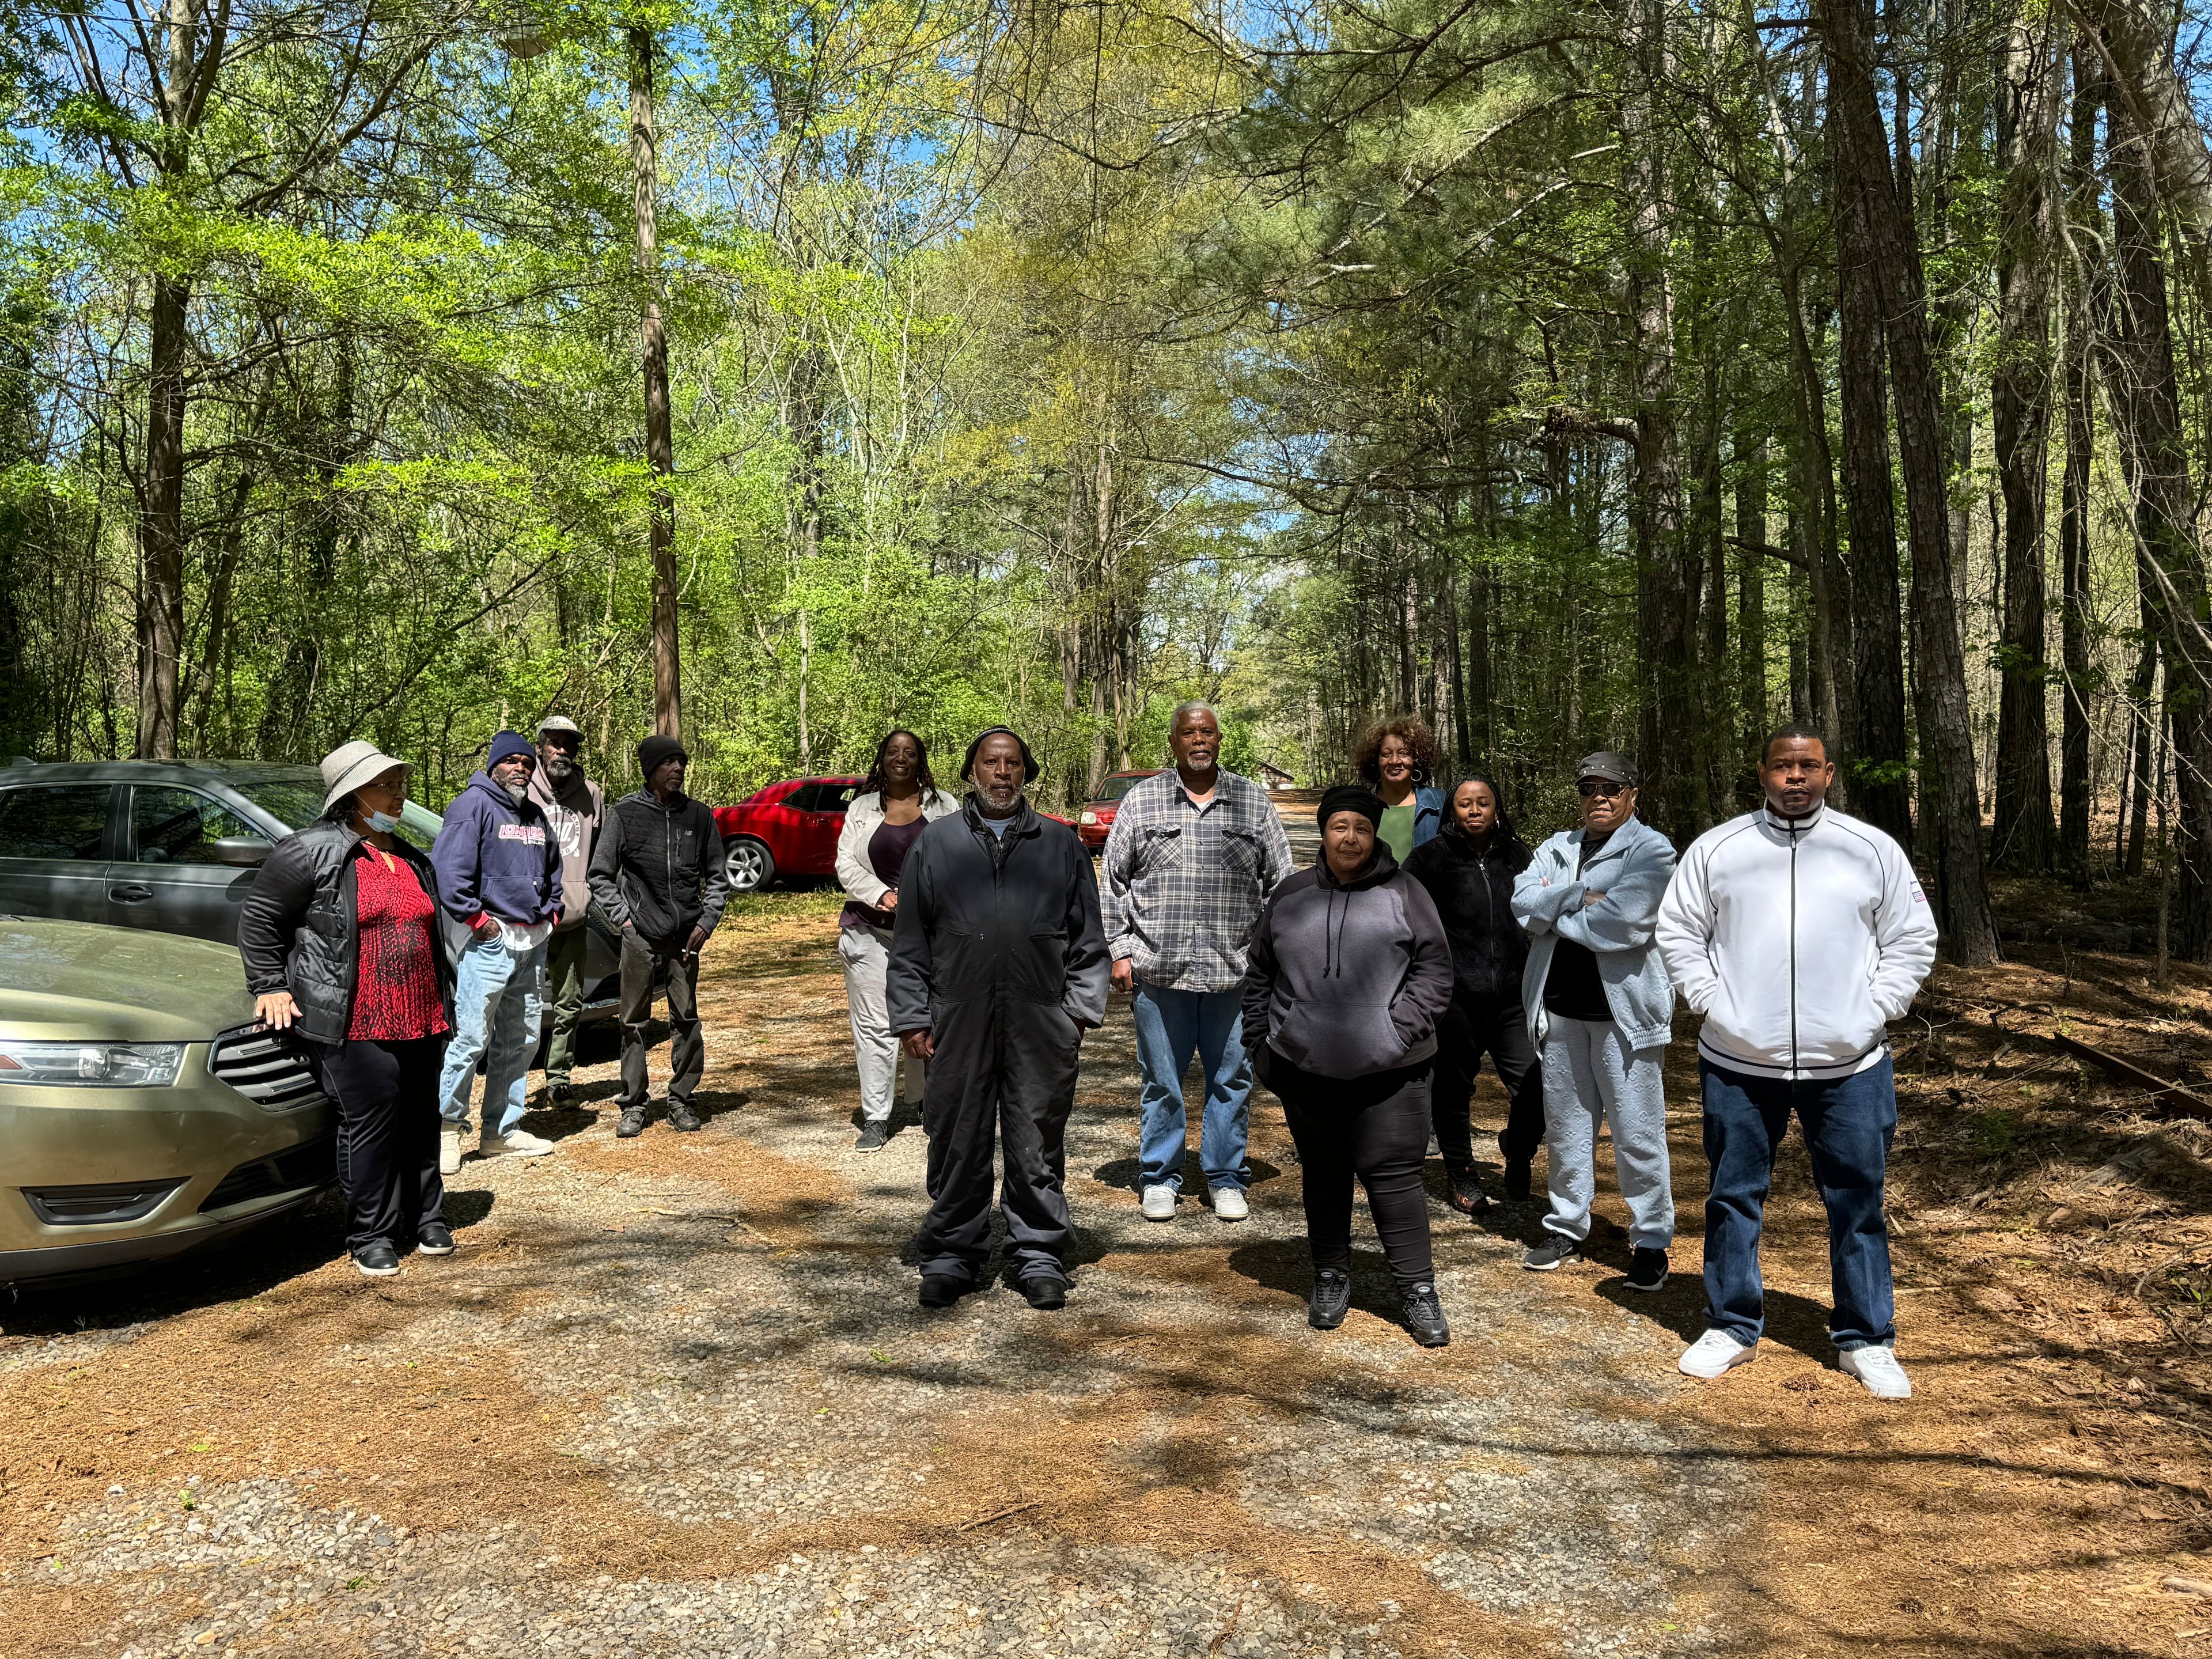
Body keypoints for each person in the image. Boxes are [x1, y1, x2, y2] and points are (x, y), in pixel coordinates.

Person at [1656, 724, 1937, 1400]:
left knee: (1857, 1202)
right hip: (1738, 1060)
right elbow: (1678, 931)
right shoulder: (1718, 849)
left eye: (1808, 767)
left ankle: (1866, 1338)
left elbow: (1913, 938)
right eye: (1783, 766)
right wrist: (1713, 1002)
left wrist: (1872, 1010)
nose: (1795, 778)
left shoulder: (1870, 850)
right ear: (1763, 772)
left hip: (1849, 1066)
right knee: (1732, 1197)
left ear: (1829, 773)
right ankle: (1731, 1324)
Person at [887, 727, 1108, 1312]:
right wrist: (912, 1016)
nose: (1002, 773)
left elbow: (1090, 941)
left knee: (1036, 1138)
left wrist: (1077, 1015)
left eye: (1013, 764)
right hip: (955, 1016)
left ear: (1026, 773)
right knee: (957, 1138)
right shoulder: (937, 845)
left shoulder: (1059, 845)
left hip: (1040, 1021)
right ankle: (952, 1254)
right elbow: (909, 943)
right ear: (972, 772)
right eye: (991, 763)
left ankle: (1038, 1254)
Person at [1241, 784, 1457, 1346]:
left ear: (1374, 834)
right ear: (1324, 832)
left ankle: (1417, 1290)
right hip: (1306, 1070)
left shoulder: (1406, 893)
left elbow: (1435, 970)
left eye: (1361, 828)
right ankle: (1332, 1275)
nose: (1351, 837)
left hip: (1393, 1072)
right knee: (1326, 1176)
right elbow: (1259, 972)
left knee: (1395, 1179)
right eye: (1340, 826)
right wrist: (1262, 1043)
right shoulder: (1290, 897)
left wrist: (1396, 1030)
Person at [240, 742, 454, 1278]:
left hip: (419, 1012)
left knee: (421, 1115)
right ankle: (371, 1233)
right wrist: (269, 984)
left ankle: (425, 1216)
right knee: (372, 1119)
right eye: (387, 786)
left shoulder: (408, 856)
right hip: (353, 1017)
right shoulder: (310, 850)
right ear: (353, 796)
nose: (399, 795)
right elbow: (261, 918)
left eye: (400, 784)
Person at [1102, 702, 1294, 1224]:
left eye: (1207, 732)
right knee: (1161, 1081)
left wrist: (1275, 960)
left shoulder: (1251, 803)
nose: (1199, 740)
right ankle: (1160, 1176)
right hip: (1160, 972)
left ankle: (1226, 1177)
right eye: (1189, 733)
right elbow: (1114, 881)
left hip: (1236, 974)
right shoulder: (1143, 802)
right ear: (1174, 742)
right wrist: (1119, 950)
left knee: (1232, 1079)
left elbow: (1283, 885)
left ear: (1219, 740)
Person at [1510, 752, 1677, 1290]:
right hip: (1559, 1011)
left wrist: (1553, 913)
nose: (1599, 797)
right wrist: (1580, 895)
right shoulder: (1557, 847)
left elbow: (1625, 924)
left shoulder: (1652, 849)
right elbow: (1521, 903)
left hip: (1626, 1017)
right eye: (1589, 788)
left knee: (1638, 1135)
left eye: (1612, 788)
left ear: (1633, 796)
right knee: (1565, 1129)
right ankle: (1566, 1225)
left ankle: (1651, 1240)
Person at [1403, 773, 1544, 1211]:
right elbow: (1405, 919)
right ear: (1452, 811)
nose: (1475, 810)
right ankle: (1462, 1176)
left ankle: (1518, 1151)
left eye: (1483, 802)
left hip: (1513, 998)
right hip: (1456, 998)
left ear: (1496, 807)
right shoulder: (1429, 860)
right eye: (1465, 803)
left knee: (1536, 1087)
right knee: (1452, 1091)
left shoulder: (1519, 856)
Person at [431, 730, 564, 1173]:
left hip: (532, 943)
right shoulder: (471, 806)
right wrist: (479, 922)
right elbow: (449, 874)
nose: (520, 768)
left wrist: (553, 913)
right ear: (494, 766)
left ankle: (501, 1132)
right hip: (489, 945)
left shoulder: (535, 815)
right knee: (471, 1038)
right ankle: (448, 1130)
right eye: (511, 761)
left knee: (522, 1039)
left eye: (527, 763)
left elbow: (553, 870)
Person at [588, 734, 732, 1139]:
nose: (678, 769)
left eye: (681, 763)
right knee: (633, 1021)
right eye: (669, 763)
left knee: (686, 1019)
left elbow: (718, 878)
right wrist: (625, 922)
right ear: (650, 770)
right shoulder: (624, 814)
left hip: (686, 937)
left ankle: (681, 1099)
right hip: (640, 936)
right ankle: (634, 1104)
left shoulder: (699, 817)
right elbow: (600, 875)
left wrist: (707, 922)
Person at [836, 730, 959, 1152]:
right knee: (874, 1025)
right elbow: (845, 863)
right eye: (892, 752)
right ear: (882, 759)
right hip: (869, 929)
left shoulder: (945, 806)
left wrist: (927, 898)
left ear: (920, 759)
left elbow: (960, 860)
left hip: (930, 932)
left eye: (909, 752)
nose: (900, 758)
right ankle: (875, 1116)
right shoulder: (862, 807)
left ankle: (925, 1100)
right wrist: (882, 894)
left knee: (927, 1015)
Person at [528, 715, 605, 1107]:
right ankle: (511, 1087)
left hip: (573, 914)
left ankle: (559, 1077)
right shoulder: (522, 791)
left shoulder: (591, 794)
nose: (563, 751)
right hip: (527, 918)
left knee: (569, 1001)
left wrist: (588, 893)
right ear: (540, 747)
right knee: (521, 1003)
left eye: (570, 745)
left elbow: (599, 856)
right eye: (555, 743)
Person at [1353, 715, 1445, 862]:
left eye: (1404, 753)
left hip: (1425, 886)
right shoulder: (1360, 806)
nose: (1395, 761)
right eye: (1386, 754)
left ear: (1416, 759)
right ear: (1376, 761)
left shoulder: (1439, 803)